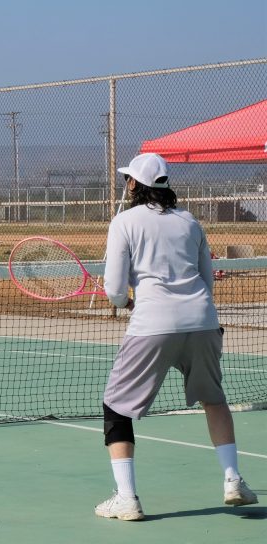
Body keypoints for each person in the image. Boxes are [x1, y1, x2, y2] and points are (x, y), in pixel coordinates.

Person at [95, 153, 258, 521]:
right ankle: (233, 480)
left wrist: (124, 300)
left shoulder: (123, 222)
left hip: (153, 324)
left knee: (116, 409)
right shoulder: (190, 222)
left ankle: (126, 499)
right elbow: (206, 280)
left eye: (127, 179)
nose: (125, 184)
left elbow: (116, 291)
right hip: (202, 320)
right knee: (214, 400)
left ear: (134, 185)